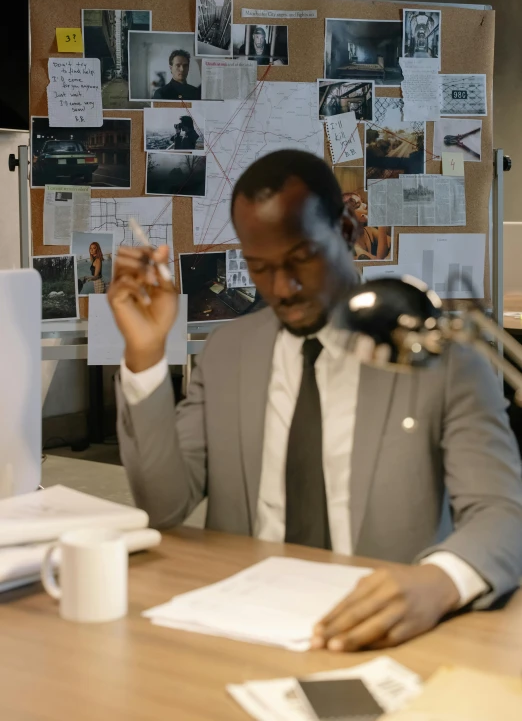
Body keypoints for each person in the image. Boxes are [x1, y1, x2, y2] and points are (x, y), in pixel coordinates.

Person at [109, 150, 522, 653]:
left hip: (381, 629)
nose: (282, 288)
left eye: (302, 258)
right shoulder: (228, 353)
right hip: (242, 623)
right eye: (260, 268)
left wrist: (438, 582)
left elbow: (502, 513)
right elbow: (165, 505)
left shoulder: (437, 353)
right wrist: (146, 353)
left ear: (347, 230)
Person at [342, 191, 391, 260]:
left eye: (362, 202)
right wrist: (381, 223)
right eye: (358, 205)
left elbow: (395, 244)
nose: (365, 205)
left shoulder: (368, 230)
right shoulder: (353, 247)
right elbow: (378, 263)